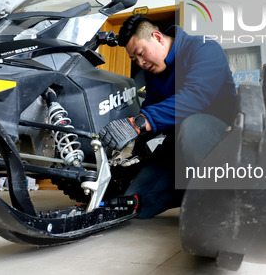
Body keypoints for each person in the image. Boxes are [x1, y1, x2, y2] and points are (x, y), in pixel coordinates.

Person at [99, 14, 237, 218]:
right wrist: (129, 144)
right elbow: (151, 106)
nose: (141, 63)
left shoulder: (204, 48)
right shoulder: (153, 71)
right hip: (179, 142)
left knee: (192, 125)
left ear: (157, 37)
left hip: (219, 136)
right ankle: (194, 191)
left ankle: (225, 206)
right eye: (134, 59)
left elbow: (195, 97)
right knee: (137, 203)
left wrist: (138, 123)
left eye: (140, 53)